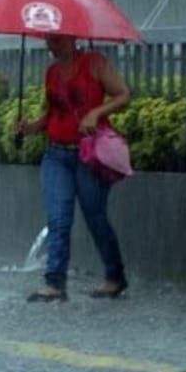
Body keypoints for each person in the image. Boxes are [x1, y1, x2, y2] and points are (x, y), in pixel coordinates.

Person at [16, 34, 131, 302]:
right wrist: (32, 126)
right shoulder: (52, 72)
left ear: (72, 38)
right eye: (48, 40)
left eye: (56, 40)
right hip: (56, 155)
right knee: (58, 219)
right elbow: (54, 112)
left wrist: (96, 113)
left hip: (88, 154)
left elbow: (123, 95)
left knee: (95, 217)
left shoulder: (94, 64)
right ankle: (55, 283)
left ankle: (115, 276)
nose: (50, 45)